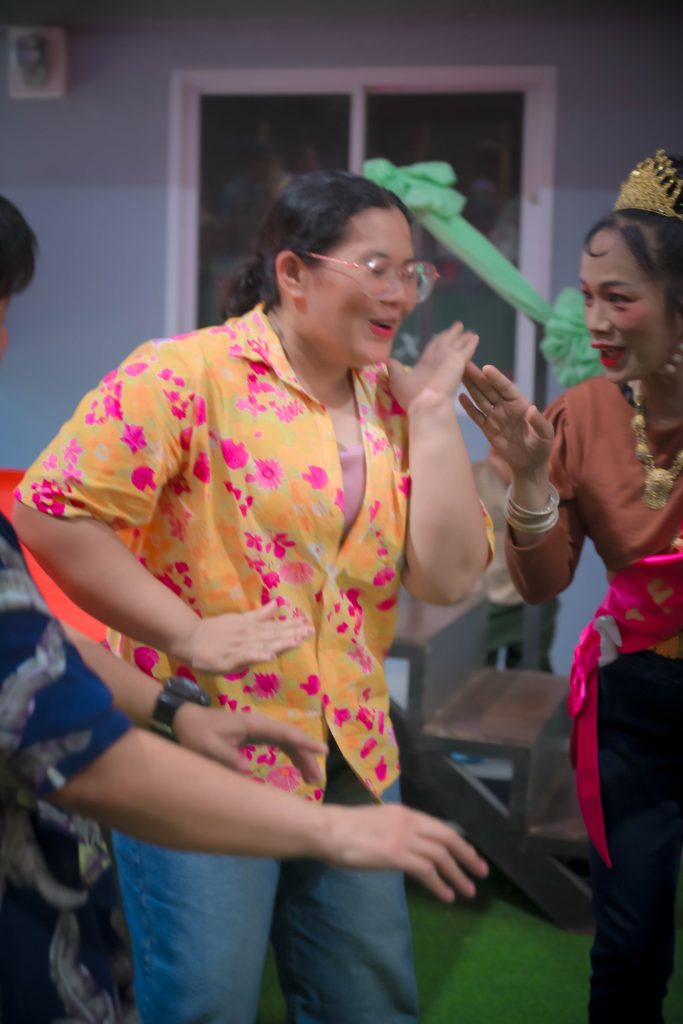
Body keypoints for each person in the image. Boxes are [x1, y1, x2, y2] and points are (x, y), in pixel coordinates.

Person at [13, 171, 493, 1024]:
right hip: (204, 737)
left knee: (368, 1001)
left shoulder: (390, 398)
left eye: (411, 272)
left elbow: (448, 577)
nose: (399, 293)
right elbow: (49, 512)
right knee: (207, 1000)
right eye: (375, 267)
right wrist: (188, 634)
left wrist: (429, 415)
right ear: (293, 273)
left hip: (349, 746)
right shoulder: (184, 373)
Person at [460, 149, 683, 1023]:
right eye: (586, 296)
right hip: (634, 709)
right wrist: (527, 478)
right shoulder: (583, 412)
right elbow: (544, 582)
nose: (594, 321)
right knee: (628, 947)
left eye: (617, 298)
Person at [472, 446, 559, 670]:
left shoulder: (546, 479)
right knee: (475, 673)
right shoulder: (474, 477)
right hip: (486, 596)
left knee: (532, 674)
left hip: (532, 593)